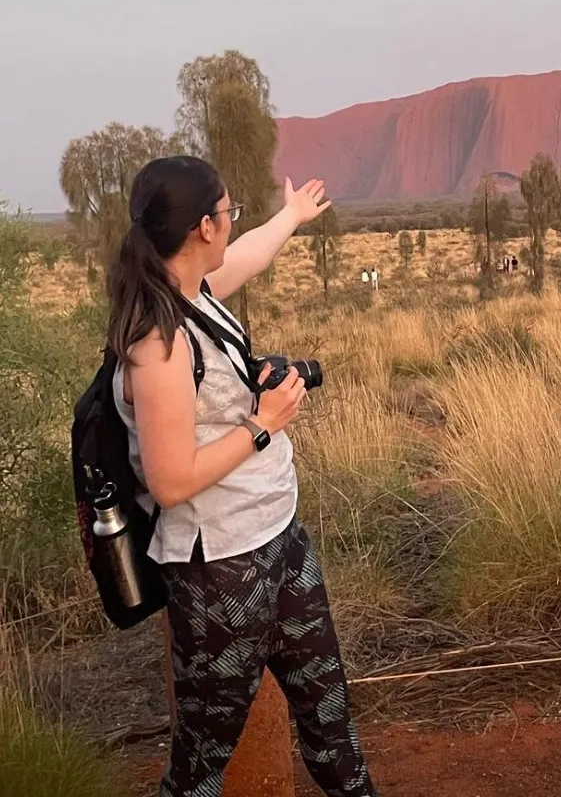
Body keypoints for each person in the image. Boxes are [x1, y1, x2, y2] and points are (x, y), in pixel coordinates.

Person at [106, 156, 378, 797]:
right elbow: (171, 482)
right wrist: (262, 422)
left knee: (331, 724)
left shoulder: (193, 290)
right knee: (200, 766)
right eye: (230, 212)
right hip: (219, 571)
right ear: (204, 226)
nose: (233, 223)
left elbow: (248, 255)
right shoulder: (157, 342)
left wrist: (290, 215)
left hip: (279, 540)